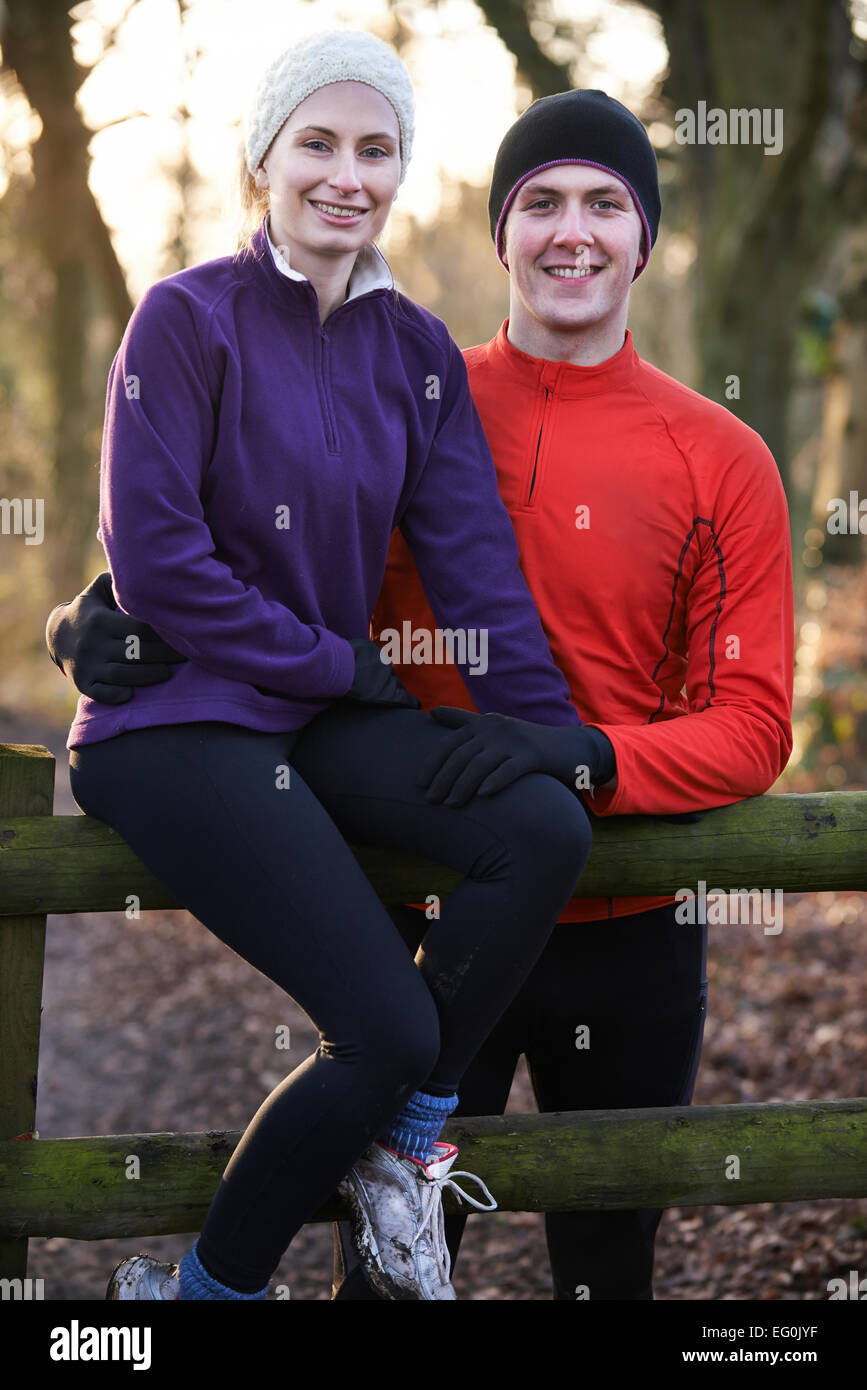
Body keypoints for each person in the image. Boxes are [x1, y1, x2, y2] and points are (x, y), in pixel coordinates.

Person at [47, 84, 795, 1300]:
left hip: (627, 921)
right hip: (441, 904)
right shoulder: (417, 382)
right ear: (498, 230)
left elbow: (756, 724)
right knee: (389, 1275)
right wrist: (92, 611)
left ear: (644, 237)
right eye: (540, 202)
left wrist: (585, 756)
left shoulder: (722, 455)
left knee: (609, 1262)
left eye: (607, 205)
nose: (573, 233)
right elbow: (265, 551)